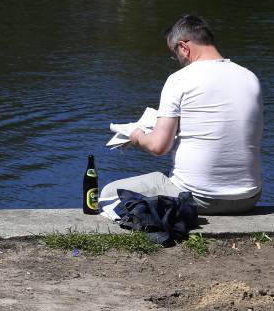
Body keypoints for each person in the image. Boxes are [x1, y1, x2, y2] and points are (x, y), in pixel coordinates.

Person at [100, 14, 263, 215]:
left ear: (184, 47)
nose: (177, 60)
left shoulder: (180, 80)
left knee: (108, 194)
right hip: (249, 197)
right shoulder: (250, 78)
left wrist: (137, 136)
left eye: (174, 54)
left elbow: (159, 146)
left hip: (197, 198)